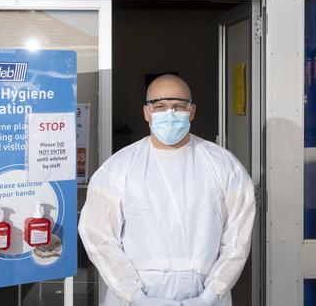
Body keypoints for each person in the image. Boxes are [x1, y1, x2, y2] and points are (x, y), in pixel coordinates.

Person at [78, 74, 256, 306]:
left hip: (206, 296)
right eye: (160, 106)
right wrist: (135, 296)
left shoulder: (224, 166)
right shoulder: (118, 168)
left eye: (178, 106)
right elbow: (98, 236)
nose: (170, 113)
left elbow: (237, 241)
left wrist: (210, 296)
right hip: (132, 296)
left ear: (191, 111)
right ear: (147, 112)